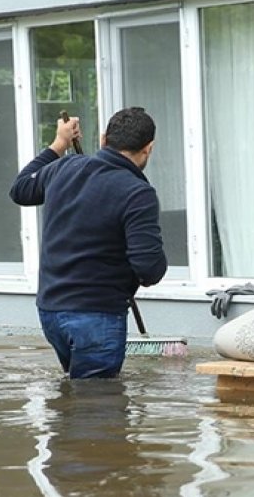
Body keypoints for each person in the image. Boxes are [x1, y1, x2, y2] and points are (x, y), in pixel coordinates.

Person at [10, 107, 167, 379]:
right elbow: (149, 269)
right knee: (98, 409)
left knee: (76, 404)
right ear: (149, 148)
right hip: (97, 315)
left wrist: (59, 144)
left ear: (104, 139)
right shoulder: (137, 192)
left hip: (50, 311)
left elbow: (21, 188)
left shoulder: (62, 168)